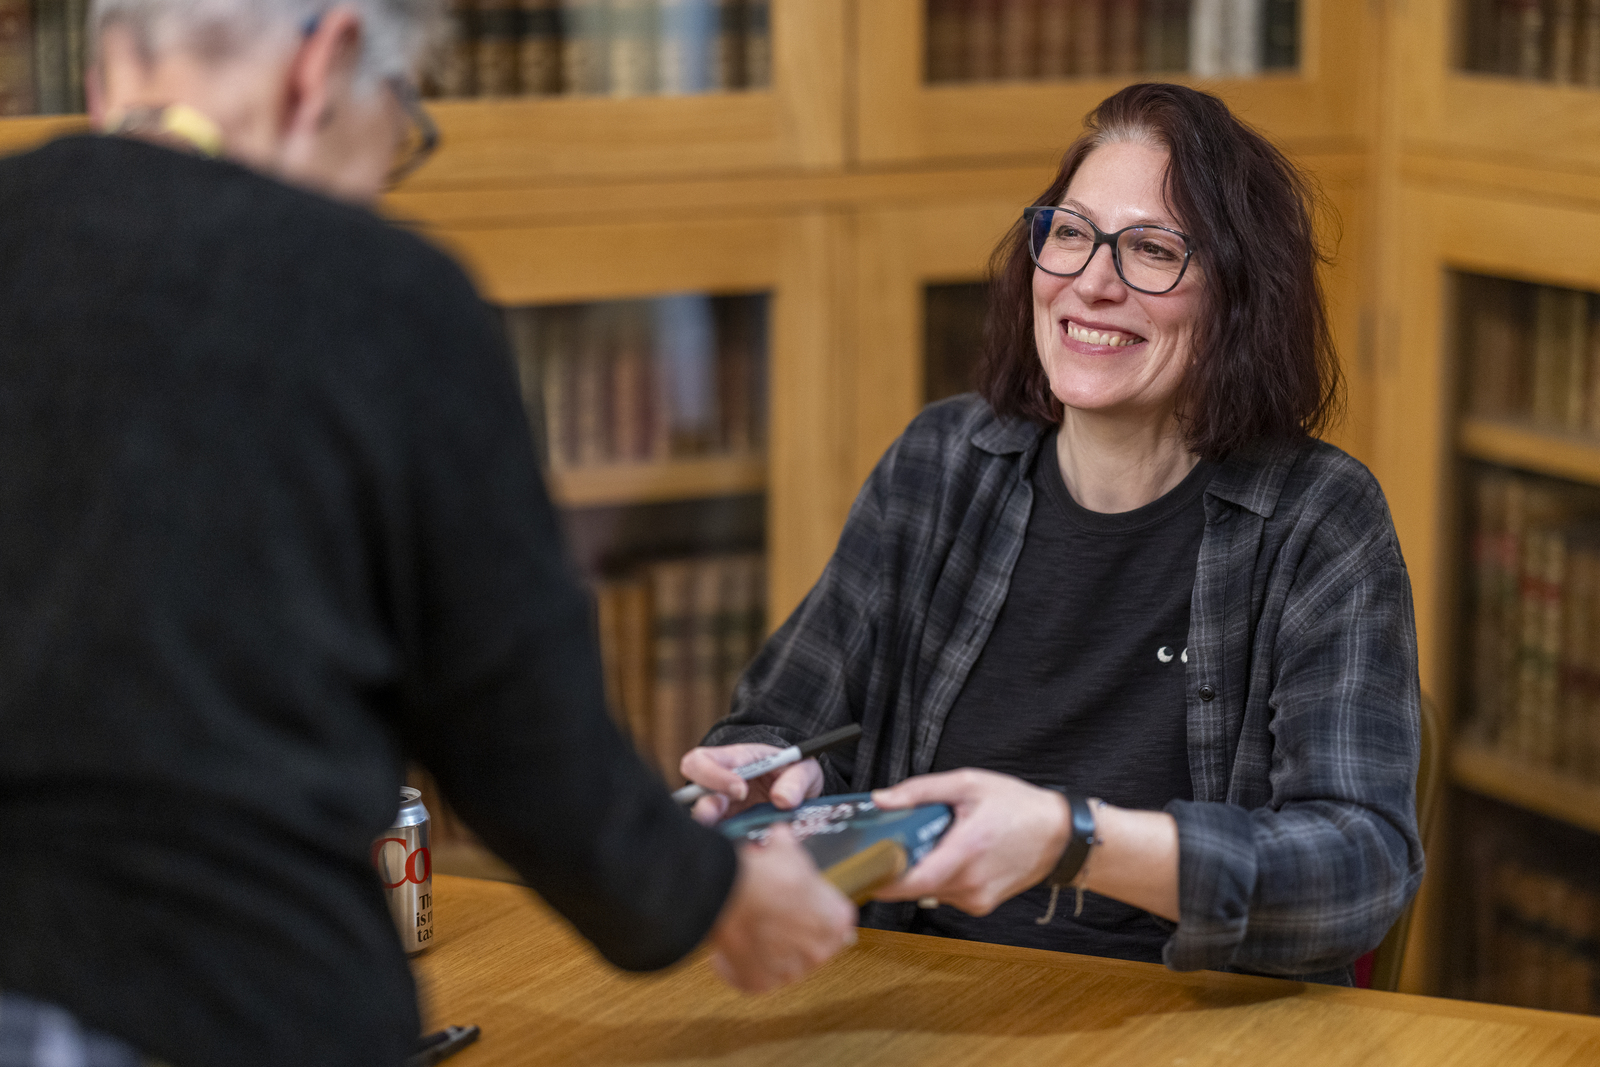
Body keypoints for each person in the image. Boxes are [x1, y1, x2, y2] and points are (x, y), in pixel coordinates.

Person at [0, 2, 857, 1065]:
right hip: (226, 999)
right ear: (328, 60)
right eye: (401, 122)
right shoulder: (372, 292)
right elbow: (517, 740)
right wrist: (720, 896)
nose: (385, 174)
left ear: (106, 64)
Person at [683, 82, 1425, 985]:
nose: (1092, 282)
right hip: (908, 993)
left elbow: (1360, 866)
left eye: (1151, 249)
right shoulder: (941, 462)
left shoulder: (1321, 519)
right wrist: (773, 777)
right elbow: (781, 721)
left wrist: (1072, 840)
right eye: (1070, 233)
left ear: (1240, 297)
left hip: (1186, 1016)